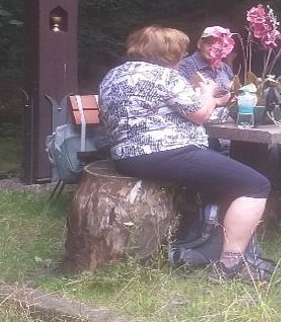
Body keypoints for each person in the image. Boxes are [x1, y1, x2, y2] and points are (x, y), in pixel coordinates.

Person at [98, 26, 271, 282]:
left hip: (126, 156)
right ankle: (229, 266)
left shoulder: (114, 75)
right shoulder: (165, 76)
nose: (184, 54)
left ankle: (203, 242)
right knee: (256, 185)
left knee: (225, 181)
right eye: (181, 50)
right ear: (170, 53)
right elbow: (200, 113)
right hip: (166, 153)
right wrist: (208, 94)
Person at [176, 26, 236, 109]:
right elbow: (180, 101)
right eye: (209, 43)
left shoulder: (224, 67)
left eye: (219, 44)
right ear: (199, 44)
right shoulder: (184, 66)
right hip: (198, 119)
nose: (213, 48)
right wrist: (217, 101)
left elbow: (235, 90)